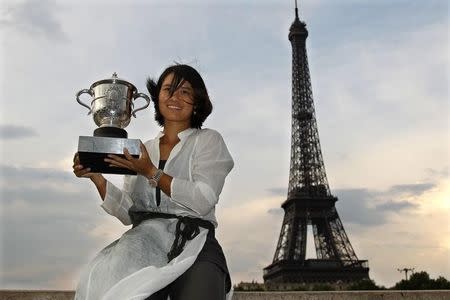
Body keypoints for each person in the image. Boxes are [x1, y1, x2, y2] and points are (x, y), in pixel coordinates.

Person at [73, 64, 234, 300]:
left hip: (195, 240)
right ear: (157, 97)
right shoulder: (143, 148)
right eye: (168, 89)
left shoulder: (208, 140)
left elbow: (202, 200)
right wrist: (96, 177)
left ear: (197, 102)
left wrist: (151, 172)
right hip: (143, 243)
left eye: (185, 92)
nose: (175, 97)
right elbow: (129, 213)